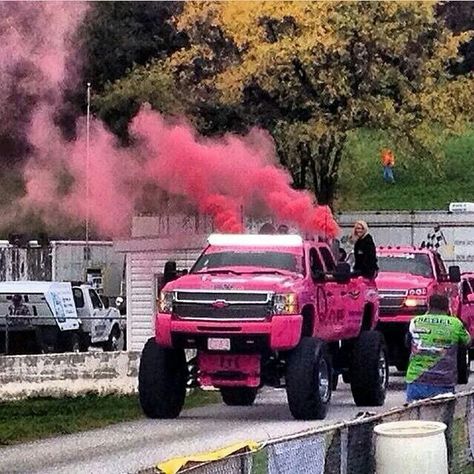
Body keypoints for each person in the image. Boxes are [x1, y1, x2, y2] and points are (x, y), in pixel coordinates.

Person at [405, 294, 471, 402]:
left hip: (416, 379)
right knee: (441, 417)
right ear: (447, 307)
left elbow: (407, 343)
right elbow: (468, 342)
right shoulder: (455, 324)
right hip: (444, 381)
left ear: (428, 306)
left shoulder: (415, 322)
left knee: (415, 416)